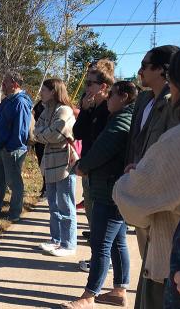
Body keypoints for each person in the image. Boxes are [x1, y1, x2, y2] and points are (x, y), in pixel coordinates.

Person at [113, 48, 180, 309]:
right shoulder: (144, 101)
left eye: (145, 65)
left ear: (168, 74)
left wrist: (136, 183)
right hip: (152, 204)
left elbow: (130, 197)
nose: (139, 71)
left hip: (165, 231)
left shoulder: (175, 131)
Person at [61, 81, 138, 309]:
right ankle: (119, 291)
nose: (108, 99)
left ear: (123, 96)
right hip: (114, 188)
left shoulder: (122, 120)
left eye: (112, 94)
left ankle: (89, 296)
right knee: (117, 242)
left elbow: (102, 148)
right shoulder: (123, 116)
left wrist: (82, 166)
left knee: (101, 243)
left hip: (109, 190)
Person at [72, 59, 115, 273]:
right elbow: (78, 133)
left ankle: (101, 262)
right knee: (92, 218)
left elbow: (104, 143)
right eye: (86, 82)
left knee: (103, 224)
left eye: (90, 83)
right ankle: (98, 259)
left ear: (103, 86)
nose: (86, 88)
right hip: (88, 170)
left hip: (101, 173)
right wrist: (86, 111)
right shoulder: (90, 105)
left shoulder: (110, 108)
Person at [34, 78, 77, 257]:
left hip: (64, 164)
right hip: (50, 163)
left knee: (66, 205)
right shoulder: (46, 110)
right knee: (53, 205)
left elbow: (55, 134)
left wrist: (43, 134)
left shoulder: (65, 110)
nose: (40, 93)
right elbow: (36, 130)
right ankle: (56, 240)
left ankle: (69, 244)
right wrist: (43, 133)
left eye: (44, 90)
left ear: (53, 91)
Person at [0, 72, 33, 222]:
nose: (2, 85)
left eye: (5, 83)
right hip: (0, 147)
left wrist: (10, 147)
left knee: (14, 183)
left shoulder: (20, 102)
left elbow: (21, 129)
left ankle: (14, 214)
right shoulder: (7, 101)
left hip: (12, 149)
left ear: (14, 84)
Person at [32, 99, 46, 199]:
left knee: (47, 166)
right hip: (39, 141)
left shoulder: (56, 105)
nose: (42, 93)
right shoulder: (39, 104)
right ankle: (45, 187)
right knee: (41, 164)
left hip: (48, 140)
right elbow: (33, 117)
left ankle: (46, 189)